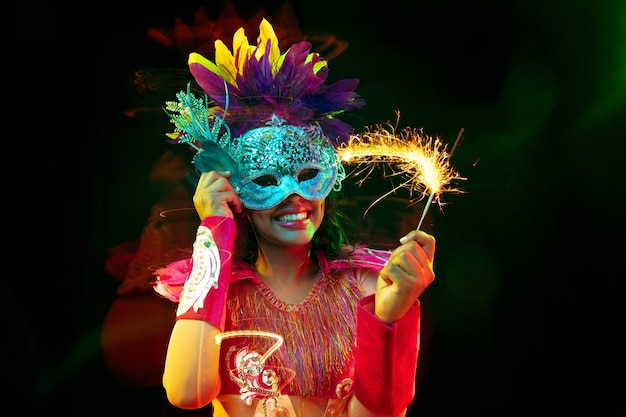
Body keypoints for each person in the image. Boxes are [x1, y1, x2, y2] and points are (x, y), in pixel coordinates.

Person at [152, 18, 436, 417]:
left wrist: (388, 317)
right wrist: (214, 233)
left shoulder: (370, 286)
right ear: (233, 189)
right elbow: (187, 392)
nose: (294, 197)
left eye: (307, 176)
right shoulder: (216, 291)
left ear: (329, 175)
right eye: (266, 179)